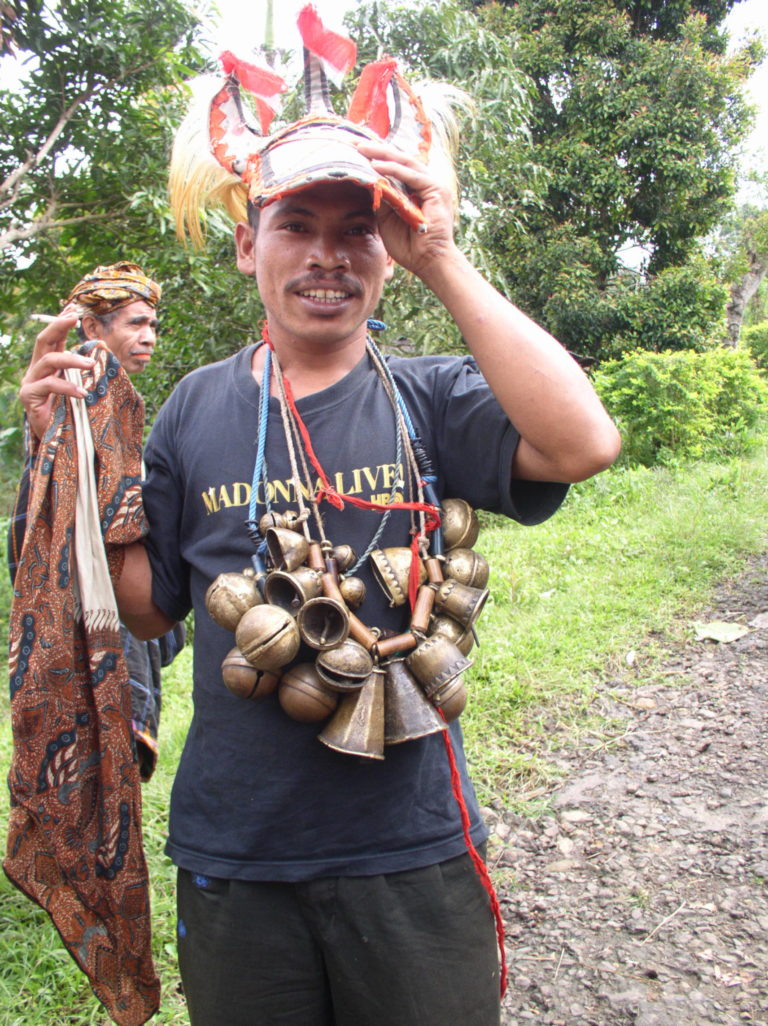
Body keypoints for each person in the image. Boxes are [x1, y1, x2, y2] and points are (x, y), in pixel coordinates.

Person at [11, 10, 621, 1026]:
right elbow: (151, 607)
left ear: (388, 247)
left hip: (410, 847)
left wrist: (441, 259)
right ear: (249, 242)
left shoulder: (431, 395)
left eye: (359, 230)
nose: (327, 256)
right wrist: (67, 455)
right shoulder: (197, 406)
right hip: (237, 853)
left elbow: (583, 445)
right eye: (297, 226)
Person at [7, 261, 185, 780]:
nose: (148, 336)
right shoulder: (85, 381)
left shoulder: (111, 392)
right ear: (91, 327)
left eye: (153, 324)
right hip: (94, 601)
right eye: (134, 323)